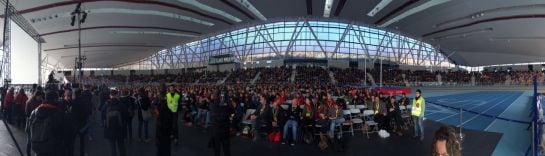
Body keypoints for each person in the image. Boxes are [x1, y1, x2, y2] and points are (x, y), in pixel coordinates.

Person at [27, 91, 68, 156]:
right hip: (52, 148)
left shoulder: (34, 112)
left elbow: (28, 129)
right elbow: (64, 133)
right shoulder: (59, 113)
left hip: (36, 145)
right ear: (55, 100)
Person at [102, 90, 128, 156]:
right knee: (121, 146)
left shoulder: (106, 105)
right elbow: (126, 116)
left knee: (112, 147)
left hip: (109, 129)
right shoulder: (121, 105)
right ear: (117, 95)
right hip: (120, 129)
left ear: (110, 96)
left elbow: (102, 116)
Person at [209, 89, 232, 156]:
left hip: (217, 130)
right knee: (226, 149)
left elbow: (215, 116)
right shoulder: (227, 103)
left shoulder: (212, 104)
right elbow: (232, 111)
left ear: (214, 95)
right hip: (225, 129)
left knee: (217, 150)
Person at [156, 86, 173, 156]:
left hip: (162, 130)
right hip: (166, 131)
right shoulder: (166, 103)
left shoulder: (161, 105)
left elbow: (159, 118)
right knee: (166, 149)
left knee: (162, 150)